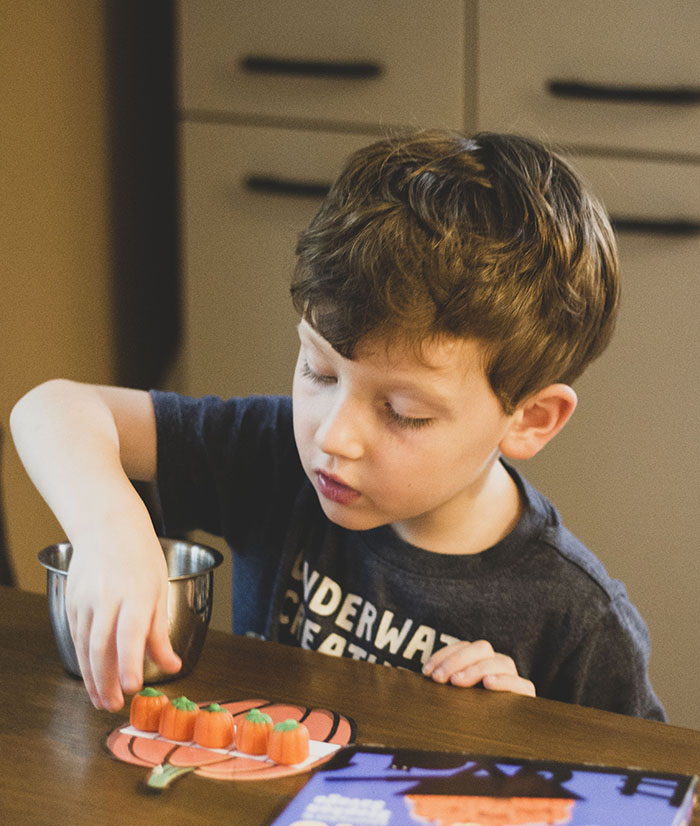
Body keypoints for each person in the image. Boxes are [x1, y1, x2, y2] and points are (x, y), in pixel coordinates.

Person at [10, 130, 666, 721]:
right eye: (320, 372)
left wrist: (531, 744)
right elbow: (51, 409)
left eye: (403, 413)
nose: (332, 436)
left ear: (528, 419)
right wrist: (111, 529)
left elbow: (651, 813)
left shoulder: (579, 619)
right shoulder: (271, 456)